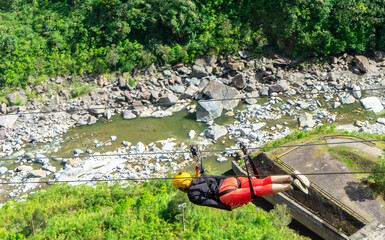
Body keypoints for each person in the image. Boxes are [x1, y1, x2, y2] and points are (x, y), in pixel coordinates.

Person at [172, 172, 310, 211]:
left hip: (226, 195)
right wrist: (237, 179)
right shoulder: (202, 177)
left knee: (259, 190)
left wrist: (228, 207)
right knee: (262, 181)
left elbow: (210, 202)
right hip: (231, 181)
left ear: (182, 187)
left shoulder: (192, 195)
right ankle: (292, 177)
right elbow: (220, 177)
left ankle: (292, 187)